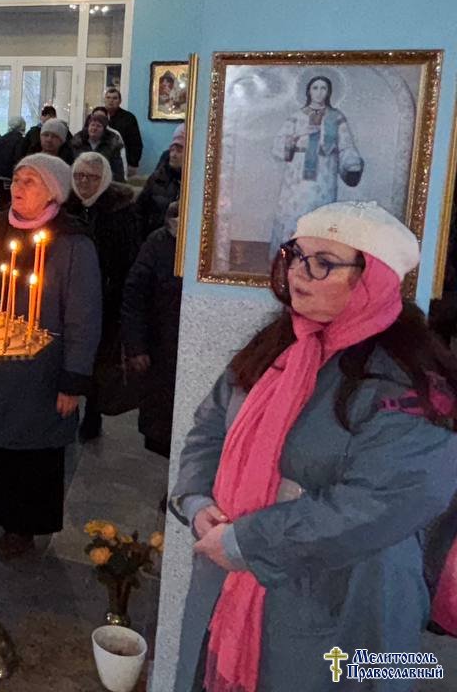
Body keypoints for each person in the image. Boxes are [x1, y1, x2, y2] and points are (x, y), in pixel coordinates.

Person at [169, 200, 457, 692]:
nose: (299, 272)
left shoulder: (409, 381)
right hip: (231, 579)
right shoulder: (278, 346)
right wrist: (196, 502)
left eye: (324, 262)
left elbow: (386, 501)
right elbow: (210, 427)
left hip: (351, 602)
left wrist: (249, 542)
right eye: (296, 255)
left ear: (373, 278)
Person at [0, 153, 101, 556]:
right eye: (16, 179)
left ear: (53, 192)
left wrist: (73, 380)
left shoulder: (72, 243)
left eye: (30, 181)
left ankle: (22, 526)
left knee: (32, 448)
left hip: (42, 369)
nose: (17, 187)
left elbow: (84, 317)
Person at [66, 152, 142, 442]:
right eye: (79, 176)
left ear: (105, 179)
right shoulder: (67, 206)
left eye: (92, 177)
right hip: (70, 294)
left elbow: (128, 260)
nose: (84, 183)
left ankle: (93, 412)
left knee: (99, 360)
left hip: (105, 298)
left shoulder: (120, 211)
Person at [270, 75, 363, 256]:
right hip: (296, 178)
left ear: (329, 92)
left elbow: (346, 146)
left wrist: (352, 163)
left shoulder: (336, 117)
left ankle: (315, 258)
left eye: (323, 88)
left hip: (324, 178)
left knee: (318, 217)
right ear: (308, 91)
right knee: (294, 215)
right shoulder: (296, 117)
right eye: (315, 88)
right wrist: (297, 136)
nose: (319, 92)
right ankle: (287, 258)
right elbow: (278, 146)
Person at [121, 200, 181, 460]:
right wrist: (136, 346)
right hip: (161, 347)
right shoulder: (158, 244)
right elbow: (135, 295)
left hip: (183, 346)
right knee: (163, 427)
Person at [136, 123, 184, 236]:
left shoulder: (197, 184)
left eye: (179, 151)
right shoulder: (157, 178)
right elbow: (139, 211)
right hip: (154, 238)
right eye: (172, 150)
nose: (173, 155)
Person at [70, 109, 126, 182]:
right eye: (92, 125)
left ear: (104, 130)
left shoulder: (112, 145)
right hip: (80, 180)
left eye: (98, 126)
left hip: (104, 181)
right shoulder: (78, 143)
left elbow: (118, 171)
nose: (94, 128)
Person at [103, 87, 143, 174]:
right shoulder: (97, 116)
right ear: (104, 100)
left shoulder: (129, 118)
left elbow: (135, 143)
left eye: (115, 98)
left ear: (120, 101)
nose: (111, 101)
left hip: (122, 161)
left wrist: (133, 164)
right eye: (108, 97)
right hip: (101, 160)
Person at [0, 116, 26, 203]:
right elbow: (18, 159)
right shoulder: (20, 140)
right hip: (8, 177)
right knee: (8, 203)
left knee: (0, 202)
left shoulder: (1, 139)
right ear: (22, 126)